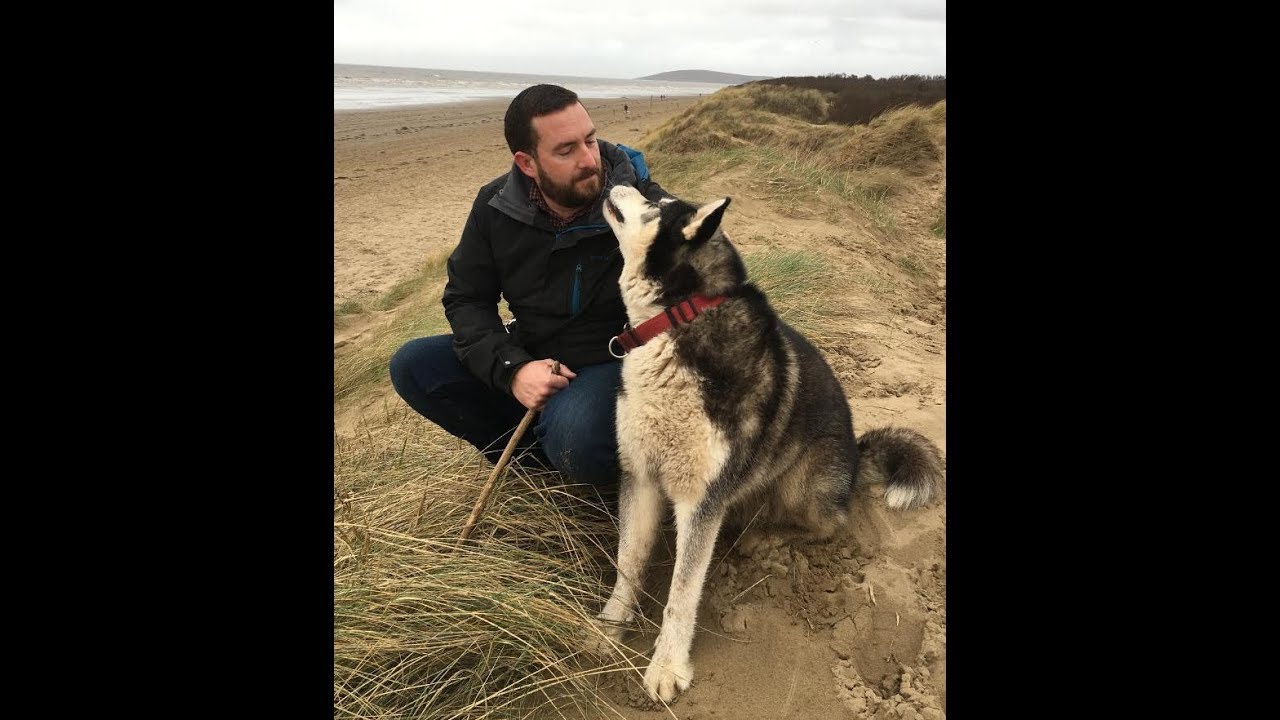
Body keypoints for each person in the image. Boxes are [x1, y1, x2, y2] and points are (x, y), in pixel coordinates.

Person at [389, 84, 669, 486]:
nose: (589, 160)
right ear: (527, 163)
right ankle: (536, 464)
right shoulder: (495, 206)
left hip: (611, 361)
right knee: (414, 365)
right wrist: (514, 370)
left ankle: (574, 454)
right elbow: (467, 299)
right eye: (566, 150)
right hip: (531, 349)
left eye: (590, 140)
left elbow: (697, 274)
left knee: (576, 437)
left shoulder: (637, 203)